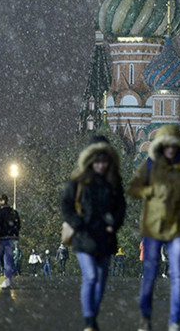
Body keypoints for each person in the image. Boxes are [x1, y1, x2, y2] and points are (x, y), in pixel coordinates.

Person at [129, 124, 180, 331]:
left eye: (174, 144)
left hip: (177, 226)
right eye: (167, 144)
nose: (170, 148)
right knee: (150, 272)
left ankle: (175, 321)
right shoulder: (151, 165)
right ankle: (145, 317)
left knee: (177, 275)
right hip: (153, 226)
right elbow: (134, 188)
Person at [61, 134, 127, 331]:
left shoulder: (113, 181)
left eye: (104, 161)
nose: (101, 165)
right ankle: (89, 320)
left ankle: (93, 316)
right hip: (84, 236)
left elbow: (120, 207)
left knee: (101, 279)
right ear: (90, 160)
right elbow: (66, 205)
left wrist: (113, 224)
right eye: (97, 161)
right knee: (90, 276)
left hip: (105, 238)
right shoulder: (79, 180)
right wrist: (78, 223)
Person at [0, 193, 20, 289]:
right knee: (8, 259)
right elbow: (18, 225)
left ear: (2, 201)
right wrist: (14, 236)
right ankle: (8, 279)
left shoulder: (0, 212)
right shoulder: (13, 212)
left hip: (1, 238)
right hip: (11, 239)